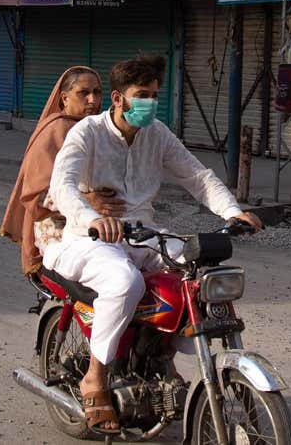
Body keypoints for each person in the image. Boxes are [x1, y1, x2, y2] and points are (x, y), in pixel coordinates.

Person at [47, 54, 264, 435]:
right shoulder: (87, 133)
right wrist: (92, 218)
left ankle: (161, 355)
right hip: (91, 239)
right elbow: (62, 185)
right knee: (124, 283)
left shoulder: (157, 134)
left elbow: (196, 175)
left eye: (154, 96)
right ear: (118, 98)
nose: (150, 103)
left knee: (194, 275)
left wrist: (233, 211)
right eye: (142, 95)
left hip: (144, 235)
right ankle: (94, 378)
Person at [0, 66, 123, 276]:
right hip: (59, 226)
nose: (93, 100)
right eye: (83, 93)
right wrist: (86, 200)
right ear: (64, 98)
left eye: (97, 92)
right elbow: (36, 196)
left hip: (100, 220)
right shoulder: (55, 131)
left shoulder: (100, 129)